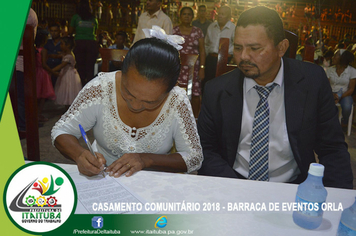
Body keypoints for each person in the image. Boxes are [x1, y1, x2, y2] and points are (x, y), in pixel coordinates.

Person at [197, 6, 353, 189]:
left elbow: (332, 148)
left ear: (282, 48)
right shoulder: (217, 89)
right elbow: (205, 150)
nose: (243, 57)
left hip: (294, 187)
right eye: (238, 48)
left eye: (255, 48)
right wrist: (236, 189)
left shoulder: (312, 82)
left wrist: (338, 202)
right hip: (234, 182)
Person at [51, 36, 203, 178]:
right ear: (122, 65)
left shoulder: (176, 99)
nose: (135, 106)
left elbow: (194, 157)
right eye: (128, 93)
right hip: (103, 179)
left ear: (172, 87)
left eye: (150, 102)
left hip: (153, 183)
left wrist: (146, 159)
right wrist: (79, 154)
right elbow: (62, 130)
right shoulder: (101, 88)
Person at [173, 7, 205, 118]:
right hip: (178, 67)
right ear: (180, 16)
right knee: (177, 91)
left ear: (193, 17)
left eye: (189, 14)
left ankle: (195, 118)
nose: (187, 16)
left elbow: (202, 50)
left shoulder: (198, 31)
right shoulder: (174, 30)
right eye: (184, 14)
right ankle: (177, 117)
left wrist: (202, 67)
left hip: (194, 67)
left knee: (195, 94)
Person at [15, 7, 37, 132]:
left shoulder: (28, 13)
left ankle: (23, 126)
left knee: (20, 98)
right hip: (20, 62)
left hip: (20, 63)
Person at [203, 5, 235, 91]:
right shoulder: (211, 27)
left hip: (225, 60)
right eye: (219, 13)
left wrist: (229, 55)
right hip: (211, 60)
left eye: (223, 14)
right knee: (209, 83)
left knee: (223, 85)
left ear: (228, 17)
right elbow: (206, 44)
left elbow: (236, 45)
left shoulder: (233, 28)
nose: (219, 16)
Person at [69, 0, 99, 86]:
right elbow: (96, 33)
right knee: (90, 68)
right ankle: (89, 89)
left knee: (80, 67)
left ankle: (80, 88)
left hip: (79, 44)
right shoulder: (94, 19)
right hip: (91, 44)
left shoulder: (75, 17)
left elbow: (70, 32)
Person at [326, 49, 356, 126]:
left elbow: (351, 89)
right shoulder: (330, 70)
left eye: (335, 55)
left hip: (345, 94)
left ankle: (344, 122)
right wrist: (332, 95)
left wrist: (339, 97)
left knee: (347, 107)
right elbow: (326, 86)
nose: (333, 57)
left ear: (342, 58)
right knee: (324, 106)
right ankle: (327, 124)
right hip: (330, 93)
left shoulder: (352, 71)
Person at [51, 36, 82, 109]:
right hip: (67, 74)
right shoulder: (67, 54)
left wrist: (51, 70)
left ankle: (69, 110)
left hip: (69, 75)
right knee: (66, 91)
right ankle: (66, 109)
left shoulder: (69, 56)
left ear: (67, 45)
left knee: (68, 91)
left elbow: (61, 65)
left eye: (62, 44)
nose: (60, 46)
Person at [34, 32, 56, 122]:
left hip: (35, 72)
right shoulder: (43, 50)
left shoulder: (35, 49)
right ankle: (38, 114)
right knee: (43, 95)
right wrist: (52, 71)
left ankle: (35, 113)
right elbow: (43, 64)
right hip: (42, 73)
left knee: (36, 94)